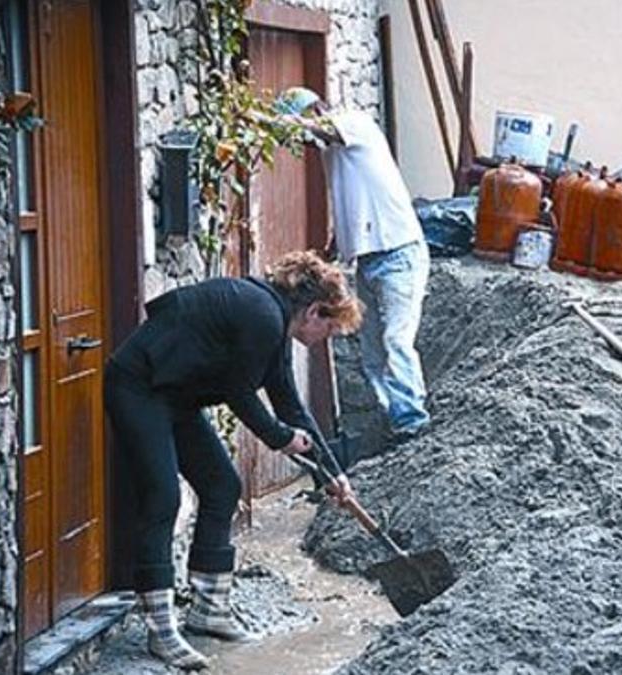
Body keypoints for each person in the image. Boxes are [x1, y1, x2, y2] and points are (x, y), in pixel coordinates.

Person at [105, 251, 361, 668]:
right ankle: (161, 630)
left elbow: (290, 405)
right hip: (139, 387)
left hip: (175, 396)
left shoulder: (273, 322)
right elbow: (239, 393)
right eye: (329, 329)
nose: (323, 340)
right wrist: (280, 439)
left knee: (222, 486)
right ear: (314, 311)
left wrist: (333, 475)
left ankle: (209, 610)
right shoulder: (261, 315)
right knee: (162, 498)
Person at [275, 87, 432, 445]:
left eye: (305, 122)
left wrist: (275, 121)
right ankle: (390, 423)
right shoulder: (332, 152)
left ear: (316, 109)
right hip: (370, 259)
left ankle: (413, 422)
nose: (303, 135)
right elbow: (352, 194)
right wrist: (338, 243)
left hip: (400, 253)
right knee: (373, 352)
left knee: (396, 339)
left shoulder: (353, 123)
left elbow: (326, 129)